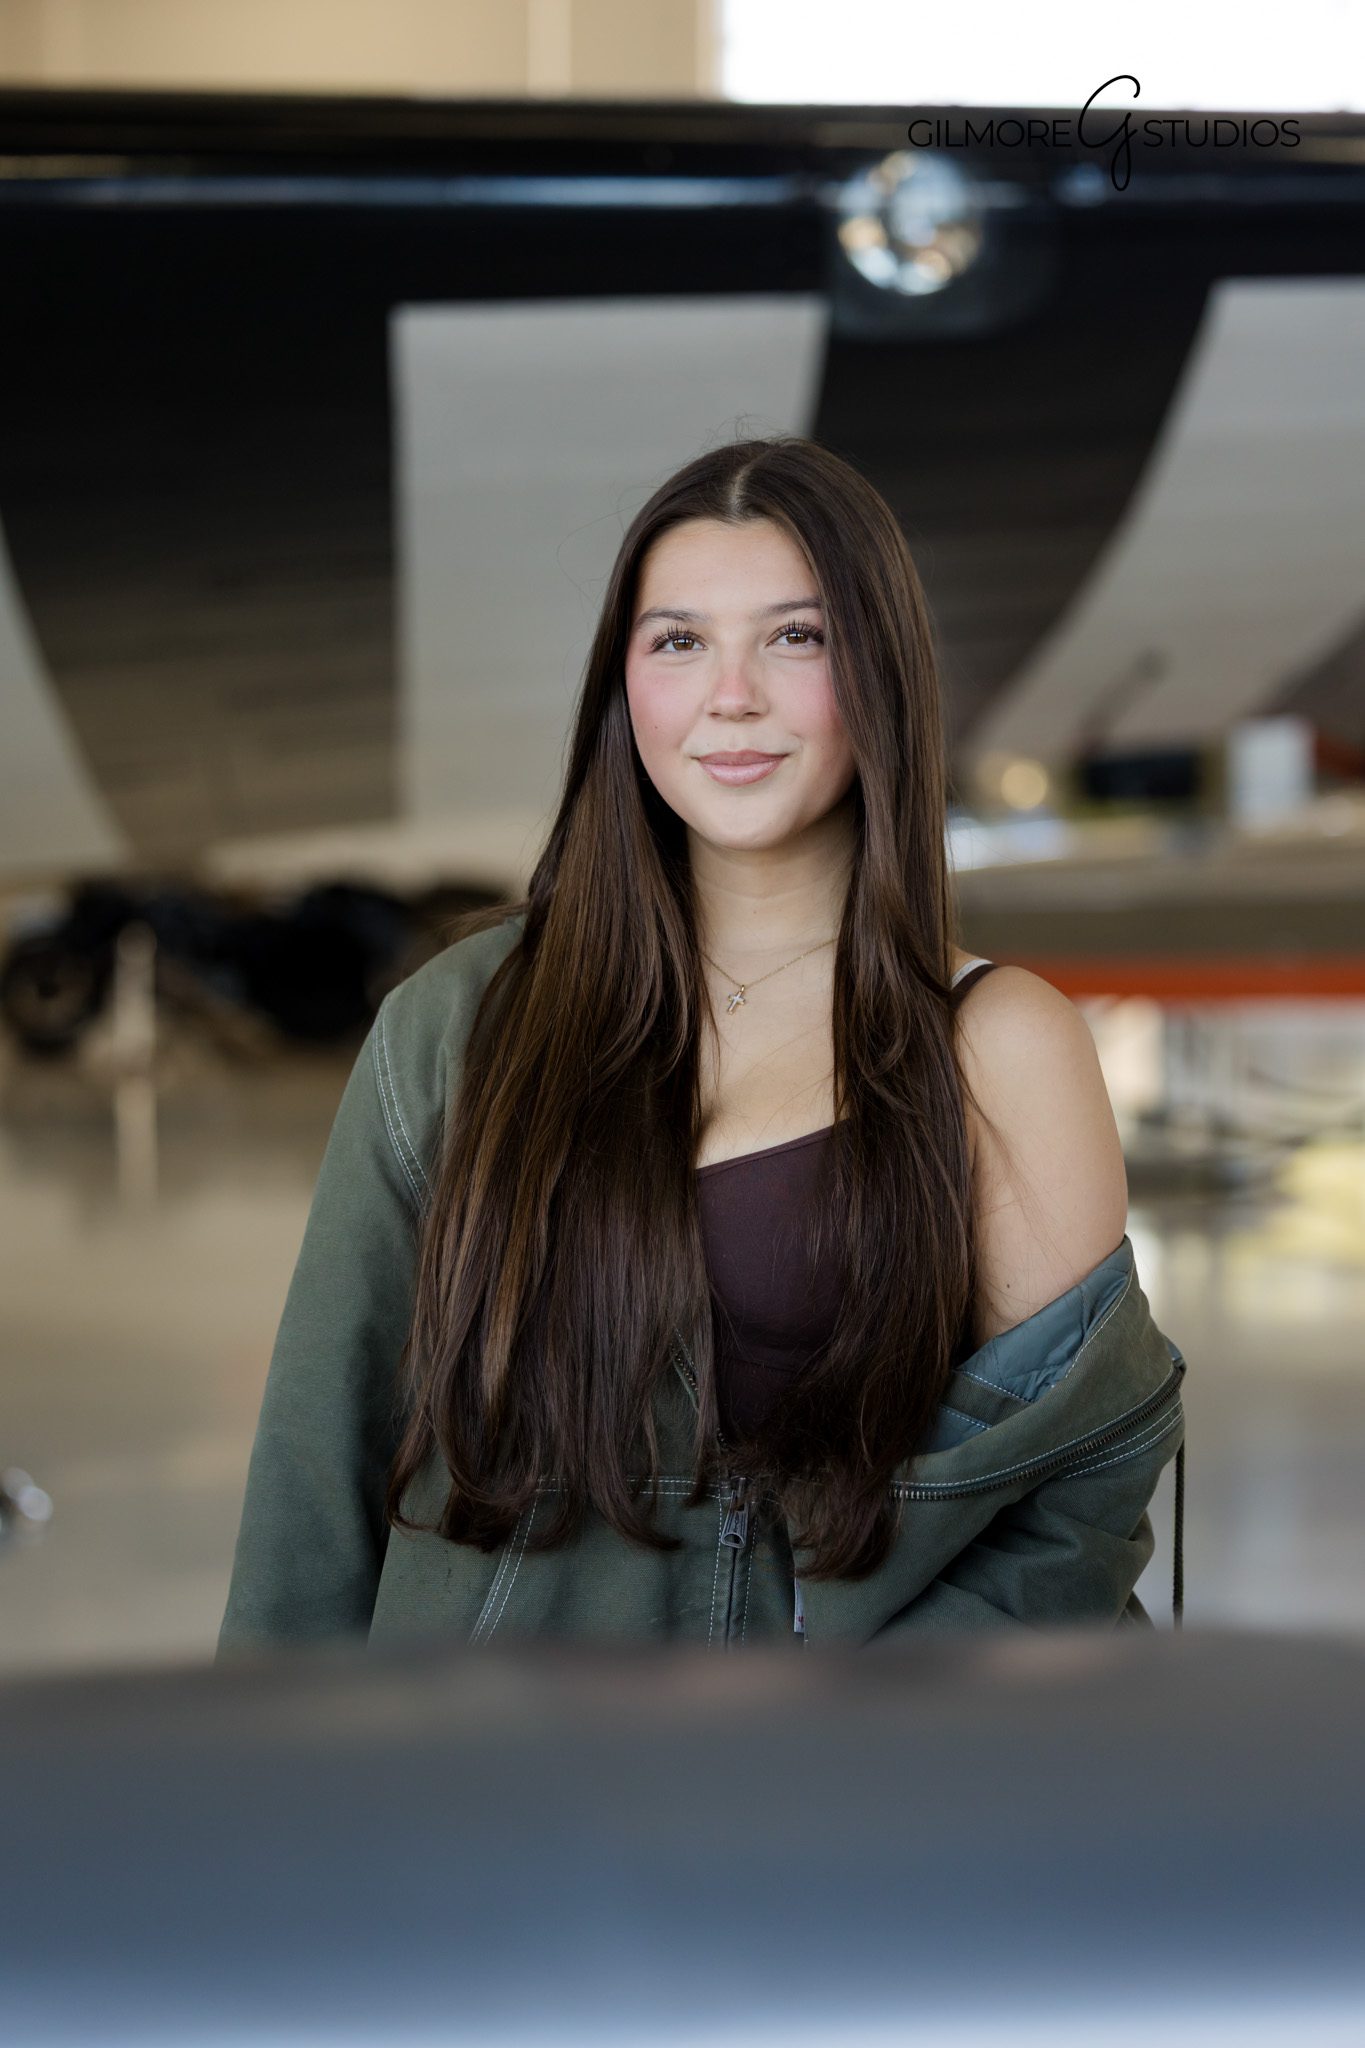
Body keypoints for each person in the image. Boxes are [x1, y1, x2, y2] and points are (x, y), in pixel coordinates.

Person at [217, 434, 1186, 1658]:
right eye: (679, 641)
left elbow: (1070, 1503)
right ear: (623, 685)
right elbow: (316, 1470)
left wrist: (850, 1734)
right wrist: (278, 1755)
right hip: (470, 1754)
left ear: (881, 669)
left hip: (830, 1765)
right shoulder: (457, 1023)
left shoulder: (996, 1047)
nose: (733, 695)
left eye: (797, 636)